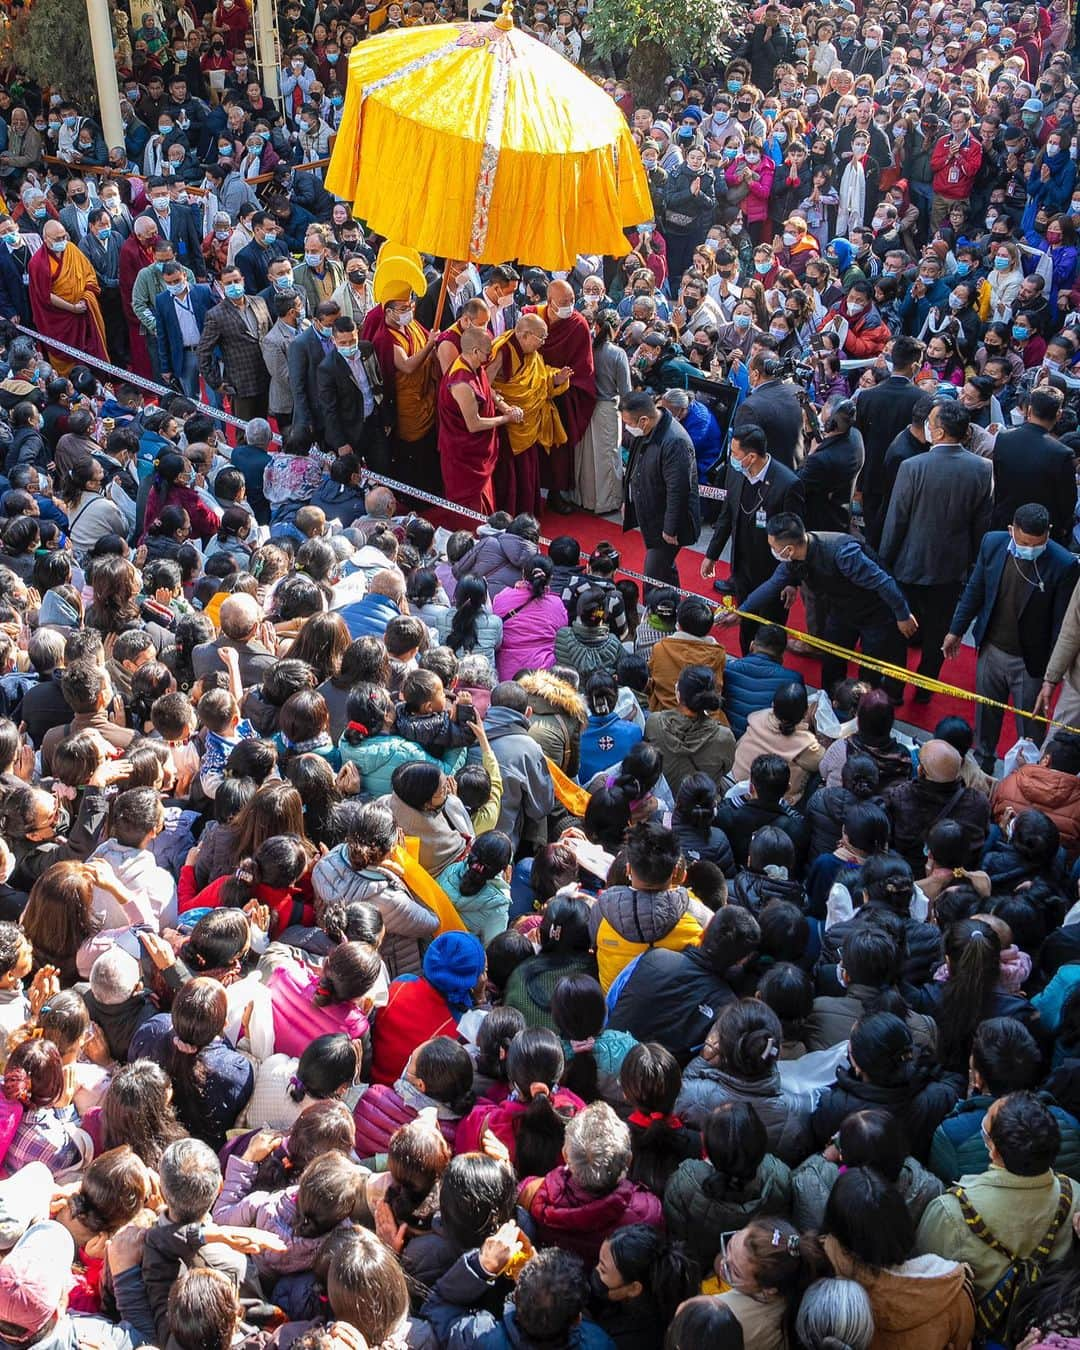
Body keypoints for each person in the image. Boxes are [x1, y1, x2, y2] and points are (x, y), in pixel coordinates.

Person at [915, 1092, 1080, 1339]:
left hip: (982, 1336)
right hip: (1055, 1327)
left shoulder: (950, 1212)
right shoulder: (1075, 1195)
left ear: (993, 1152)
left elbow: (929, 1288)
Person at [945, 504, 1078, 770]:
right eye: (1024, 542)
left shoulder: (1063, 564)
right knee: (986, 717)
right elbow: (976, 589)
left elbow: (1061, 626)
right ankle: (982, 763)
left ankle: (1026, 775)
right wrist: (955, 630)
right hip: (991, 650)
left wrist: (1050, 676)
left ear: (1048, 534)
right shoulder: (993, 544)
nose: (1029, 548)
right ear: (1011, 530)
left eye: (1037, 543)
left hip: (1031, 664)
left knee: (1030, 728)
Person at [879, 398, 993, 696]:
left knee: (900, 630)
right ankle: (925, 689)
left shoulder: (912, 467)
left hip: (908, 564)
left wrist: (883, 562)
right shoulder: (982, 469)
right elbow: (981, 525)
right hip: (952, 568)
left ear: (939, 432)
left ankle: (893, 689)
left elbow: (896, 522)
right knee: (939, 633)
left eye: (930, 423)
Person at [738, 513, 917, 699]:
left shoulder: (842, 553)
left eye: (773, 547)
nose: (772, 550)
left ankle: (863, 709)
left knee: (869, 667)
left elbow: (883, 582)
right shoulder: (796, 559)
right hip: (841, 610)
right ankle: (829, 700)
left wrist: (902, 614)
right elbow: (772, 585)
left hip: (875, 612)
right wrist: (741, 611)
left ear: (788, 550)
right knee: (831, 658)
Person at [701, 424, 803, 653]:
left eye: (735, 454)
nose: (732, 458)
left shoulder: (787, 484)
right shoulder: (735, 473)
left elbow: (796, 538)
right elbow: (727, 515)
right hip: (743, 568)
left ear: (751, 456)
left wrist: (792, 581)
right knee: (746, 625)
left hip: (773, 573)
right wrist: (711, 555)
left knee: (769, 634)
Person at [489, 313, 573, 519]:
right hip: (509, 425)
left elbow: (539, 380)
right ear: (525, 335)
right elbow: (484, 385)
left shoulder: (532, 354)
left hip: (527, 422)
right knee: (510, 476)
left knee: (526, 472)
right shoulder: (502, 351)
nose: (543, 343)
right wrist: (505, 407)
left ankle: (526, 515)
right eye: (541, 338)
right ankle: (506, 518)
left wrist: (556, 379)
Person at [438, 327, 524, 515]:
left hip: (478, 455)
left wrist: (505, 406)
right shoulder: (461, 382)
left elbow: (487, 391)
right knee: (469, 512)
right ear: (475, 351)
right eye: (488, 352)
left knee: (484, 502)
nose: (491, 356)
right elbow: (474, 424)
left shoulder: (475, 366)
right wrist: (505, 418)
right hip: (463, 455)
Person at [853, 335, 925, 547]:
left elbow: (859, 439)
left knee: (872, 534)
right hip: (906, 478)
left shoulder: (867, 396)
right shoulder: (921, 398)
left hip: (872, 476)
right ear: (914, 366)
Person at [991, 386, 1076, 544]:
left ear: (1029, 410)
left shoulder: (1003, 439)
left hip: (1006, 523)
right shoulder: (1061, 453)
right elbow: (1067, 501)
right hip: (1042, 531)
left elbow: (998, 482)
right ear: (1058, 415)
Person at [28, 221, 109, 376]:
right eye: (57, 239)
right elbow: (45, 296)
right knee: (66, 358)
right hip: (59, 320)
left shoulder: (71, 249)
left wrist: (86, 298)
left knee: (90, 352)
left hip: (84, 311)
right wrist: (72, 308)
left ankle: (95, 383)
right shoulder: (38, 263)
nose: (62, 241)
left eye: (63, 236)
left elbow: (89, 275)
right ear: (46, 239)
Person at [196, 266, 272, 420]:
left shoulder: (259, 302)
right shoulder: (216, 315)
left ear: (243, 280)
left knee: (265, 428)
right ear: (222, 286)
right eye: (228, 283)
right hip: (240, 385)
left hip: (266, 378)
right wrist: (215, 382)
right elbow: (203, 351)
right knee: (244, 432)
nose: (234, 286)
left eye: (236, 281)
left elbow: (270, 334)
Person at [731, 352, 804, 470]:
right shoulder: (798, 391)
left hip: (763, 478)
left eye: (749, 372)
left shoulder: (749, 407)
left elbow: (742, 455)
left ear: (755, 374)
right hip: (794, 472)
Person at [154, 261, 215, 400]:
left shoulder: (203, 291)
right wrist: (165, 367)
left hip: (207, 352)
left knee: (215, 400)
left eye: (177, 280)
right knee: (191, 399)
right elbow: (162, 337)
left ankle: (218, 423)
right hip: (185, 355)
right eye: (169, 283)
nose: (174, 285)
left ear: (185, 275)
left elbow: (216, 322)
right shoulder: (161, 300)